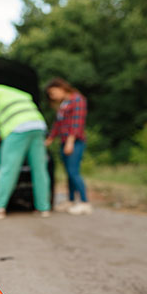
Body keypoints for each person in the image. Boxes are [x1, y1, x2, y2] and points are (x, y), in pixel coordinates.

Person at [0, 84, 51, 219]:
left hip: (17, 130)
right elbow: (14, 113)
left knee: (8, 169)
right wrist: (0, 136)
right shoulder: (16, 92)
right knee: (40, 169)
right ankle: (43, 208)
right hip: (38, 127)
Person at [45, 78, 92, 215]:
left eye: (53, 93)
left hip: (74, 142)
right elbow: (58, 124)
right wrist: (50, 139)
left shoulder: (77, 100)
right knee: (68, 173)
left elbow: (77, 123)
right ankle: (70, 200)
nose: (52, 97)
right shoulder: (64, 104)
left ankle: (84, 202)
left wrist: (70, 142)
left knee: (73, 172)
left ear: (61, 88)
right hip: (64, 141)